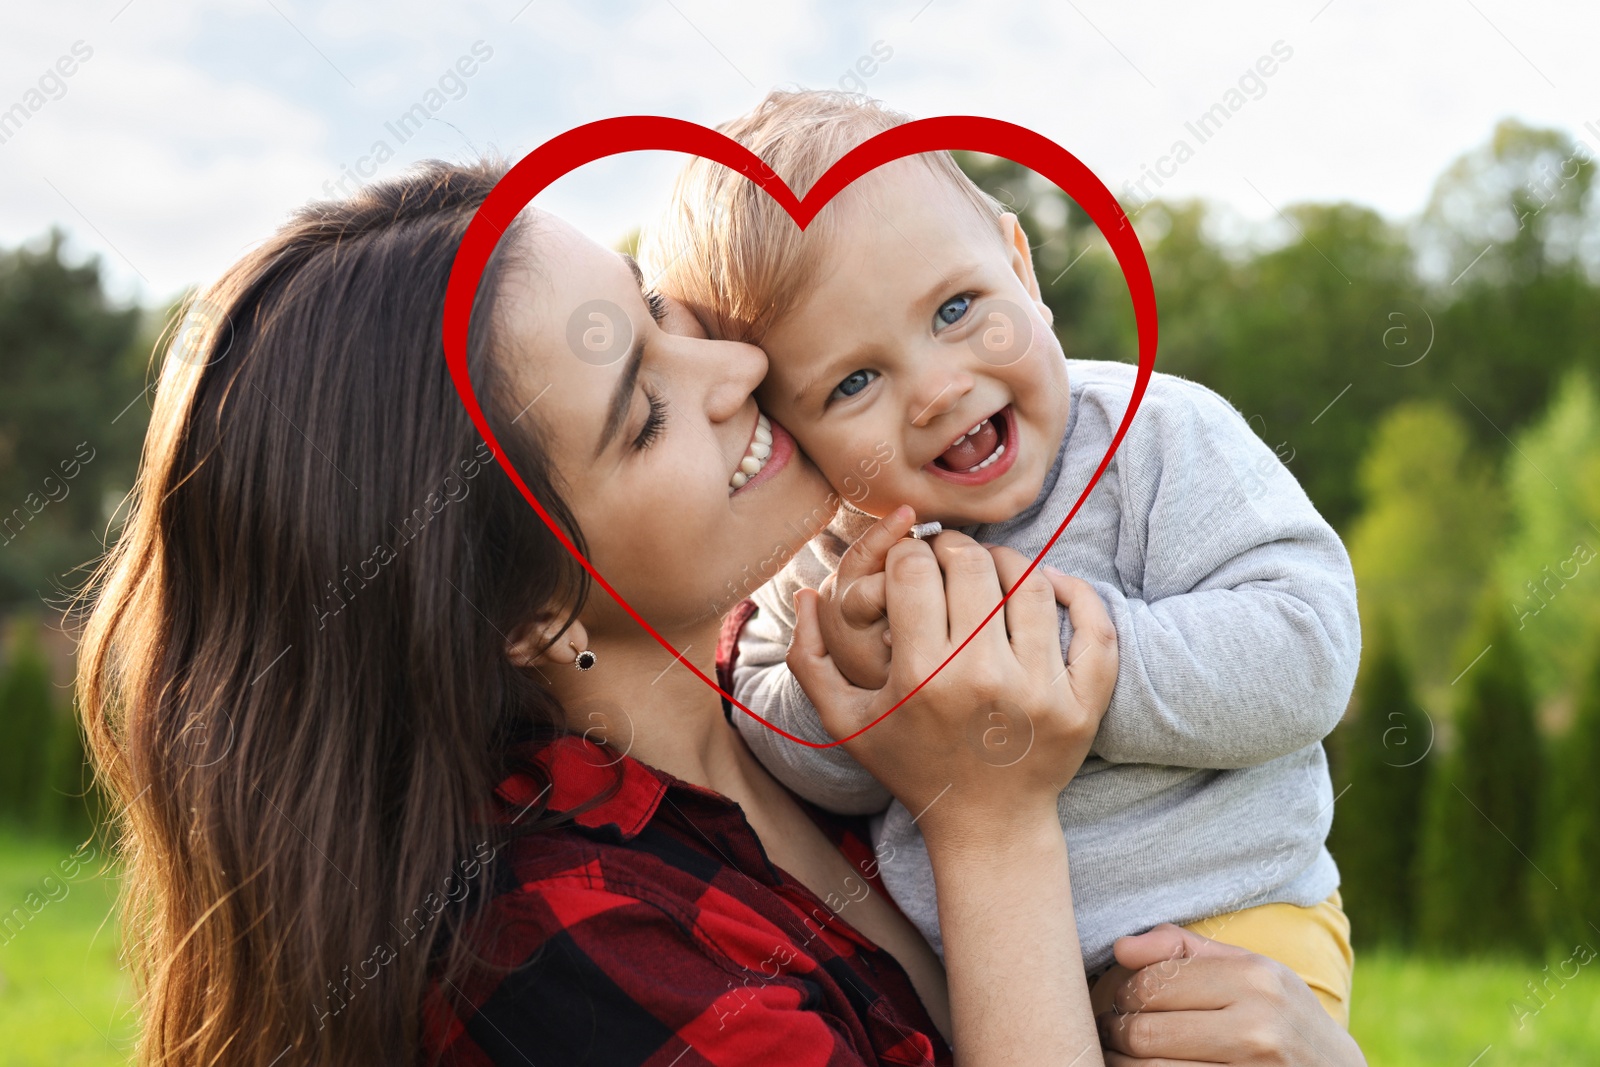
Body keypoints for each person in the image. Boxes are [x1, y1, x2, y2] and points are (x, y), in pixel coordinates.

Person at [76, 159, 1365, 1066]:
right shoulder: (565, 949)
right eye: (643, 411)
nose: (745, 363)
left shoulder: (799, 726)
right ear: (524, 606)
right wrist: (990, 823)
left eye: (655, 310)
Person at [642, 89, 1362, 1025]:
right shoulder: (827, 556)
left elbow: (1304, 650)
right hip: (981, 987)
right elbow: (794, 756)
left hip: (1231, 925)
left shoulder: (1156, 437)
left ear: (1020, 266)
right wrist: (860, 691)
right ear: (785, 429)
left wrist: (1053, 667)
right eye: (855, 380)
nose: (940, 387)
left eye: (956, 308)